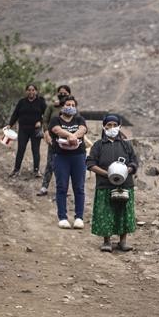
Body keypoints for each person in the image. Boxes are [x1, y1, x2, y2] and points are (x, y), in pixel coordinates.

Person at [86, 114, 139, 252]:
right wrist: (107, 173)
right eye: (108, 125)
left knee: (124, 212)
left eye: (115, 125)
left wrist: (127, 169)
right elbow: (90, 163)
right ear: (104, 127)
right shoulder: (98, 145)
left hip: (125, 184)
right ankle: (107, 241)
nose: (112, 128)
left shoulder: (126, 145)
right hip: (105, 185)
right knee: (106, 212)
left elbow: (134, 161)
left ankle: (123, 241)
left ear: (119, 126)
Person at [48, 96, 88, 229]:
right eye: (68, 104)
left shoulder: (79, 119)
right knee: (61, 187)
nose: (70, 107)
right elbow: (56, 130)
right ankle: (63, 217)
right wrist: (69, 135)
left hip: (78, 156)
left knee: (79, 187)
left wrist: (73, 136)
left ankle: (79, 217)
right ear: (63, 106)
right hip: (61, 156)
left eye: (72, 105)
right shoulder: (56, 119)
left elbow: (83, 129)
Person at [7, 84, 47, 178]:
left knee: (35, 150)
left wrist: (40, 122)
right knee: (21, 149)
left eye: (33, 90)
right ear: (26, 92)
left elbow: (46, 115)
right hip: (23, 129)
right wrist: (10, 124)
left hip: (35, 130)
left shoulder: (40, 102)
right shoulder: (22, 102)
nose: (31, 92)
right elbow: (15, 114)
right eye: (29, 90)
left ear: (36, 91)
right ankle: (16, 170)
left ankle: (36, 170)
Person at [38, 85, 71, 196]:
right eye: (60, 92)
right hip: (53, 140)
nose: (62, 95)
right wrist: (46, 133)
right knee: (51, 163)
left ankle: (63, 189)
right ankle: (44, 187)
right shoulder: (52, 107)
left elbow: (77, 121)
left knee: (65, 165)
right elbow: (45, 120)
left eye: (65, 93)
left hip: (67, 141)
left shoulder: (71, 107)